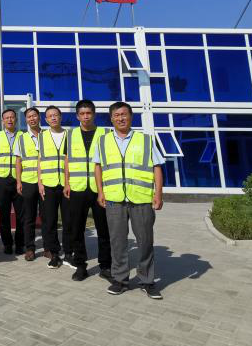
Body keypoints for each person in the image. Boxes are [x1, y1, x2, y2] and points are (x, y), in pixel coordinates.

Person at [93, 101, 165, 299]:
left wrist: (158, 194)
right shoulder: (103, 141)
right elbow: (98, 167)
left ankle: (147, 281)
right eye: (117, 115)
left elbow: (157, 167)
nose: (121, 118)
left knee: (145, 241)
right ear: (111, 118)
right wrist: (100, 192)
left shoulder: (146, 140)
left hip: (141, 198)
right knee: (117, 242)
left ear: (131, 116)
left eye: (124, 114)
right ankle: (120, 280)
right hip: (114, 198)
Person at [63, 100, 111, 281]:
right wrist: (67, 183)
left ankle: (105, 266)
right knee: (77, 229)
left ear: (94, 114)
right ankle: (81, 266)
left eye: (88, 113)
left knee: (104, 229)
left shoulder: (105, 134)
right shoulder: (71, 135)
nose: (85, 117)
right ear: (77, 116)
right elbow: (67, 160)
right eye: (82, 114)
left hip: (100, 189)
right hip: (78, 188)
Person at [37, 105, 67, 269]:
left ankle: (69, 251)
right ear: (46, 120)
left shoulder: (69, 135)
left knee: (69, 219)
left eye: (56, 115)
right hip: (48, 184)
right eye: (50, 116)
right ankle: (54, 253)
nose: (53, 118)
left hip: (67, 184)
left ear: (60, 117)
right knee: (49, 220)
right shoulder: (42, 136)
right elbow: (40, 160)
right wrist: (40, 182)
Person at [0, 108, 23, 255]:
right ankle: (7, 244)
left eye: (12, 117)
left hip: (19, 179)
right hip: (2, 180)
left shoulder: (23, 136)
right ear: (3, 121)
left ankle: (20, 244)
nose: (10, 120)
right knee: (4, 215)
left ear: (16, 119)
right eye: (7, 118)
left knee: (21, 214)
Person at [15, 107, 43, 261]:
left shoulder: (47, 136)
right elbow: (18, 161)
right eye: (29, 117)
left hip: (46, 180)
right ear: (26, 120)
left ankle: (49, 248)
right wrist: (19, 181)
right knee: (29, 217)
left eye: (34, 116)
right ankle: (30, 248)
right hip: (27, 181)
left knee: (47, 216)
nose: (32, 119)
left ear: (39, 117)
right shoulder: (21, 138)